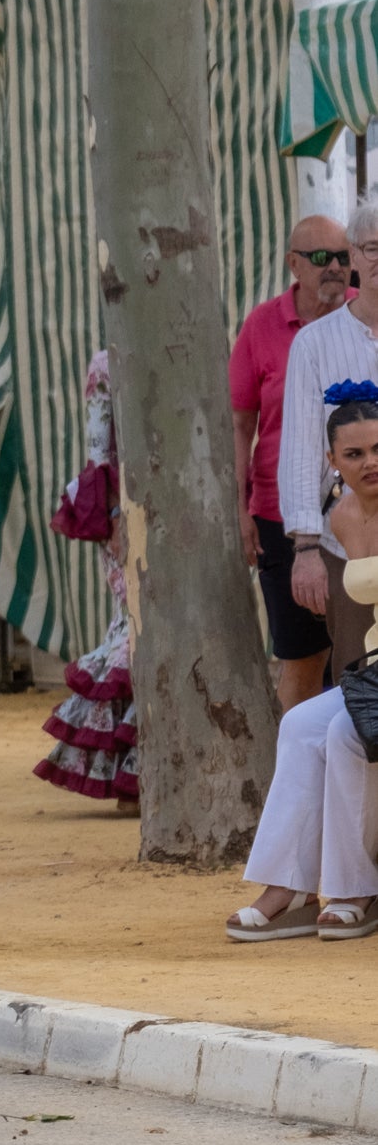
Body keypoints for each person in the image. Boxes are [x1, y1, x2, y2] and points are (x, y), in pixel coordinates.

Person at [230, 380, 378, 942]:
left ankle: (355, 889)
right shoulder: (338, 519)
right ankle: (288, 888)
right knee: (298, 723)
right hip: (370, 673)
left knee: (345, 732)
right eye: (355, 453)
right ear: (332, 460)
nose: (370, 463)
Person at [234, 215, 353, 710]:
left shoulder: (364, 319)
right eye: (322, 258)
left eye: (344, 257)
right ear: (294, 264)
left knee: (357, 656)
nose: (335, 268)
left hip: (359, 513)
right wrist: (238, 509)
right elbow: (240, 425)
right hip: (282, 518)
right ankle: (296, 785)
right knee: (302, 659)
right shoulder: (262, 326)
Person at [36, 349, 137, 810]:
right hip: (125, 514)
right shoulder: (105, 363)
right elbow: (99, 453)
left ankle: (135, 776)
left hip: (180, 510)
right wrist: (116, 515)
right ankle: (132, 777)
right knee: (133, 629)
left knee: (142, 632)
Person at [280, 201, 378, 622]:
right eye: (373, 247)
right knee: (358, 675)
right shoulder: (313, 344)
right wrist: (305, 550)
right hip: (347, 549)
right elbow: (301, 450)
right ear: (354, 255)